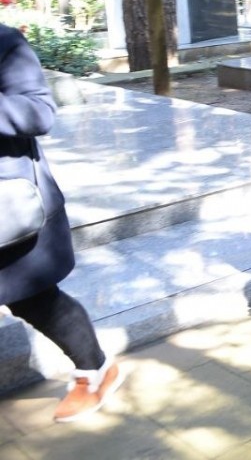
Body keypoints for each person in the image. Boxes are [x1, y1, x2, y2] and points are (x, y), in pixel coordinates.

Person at [1, 25, 124, 422]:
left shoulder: (5, 42)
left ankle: (96, 370)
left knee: (32, 299)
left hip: (7, 206)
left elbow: (39, 112)